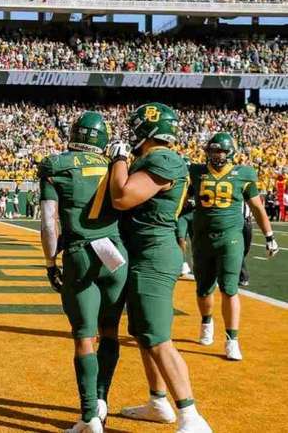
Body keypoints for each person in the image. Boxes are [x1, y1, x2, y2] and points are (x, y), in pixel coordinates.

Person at [107, 103, 211, 433]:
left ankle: (192, 416)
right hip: (141, 252)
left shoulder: (164, 158)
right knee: (143, 334)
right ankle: (158, 402)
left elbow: (122, 197)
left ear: (147, 130)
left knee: (158, 337)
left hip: (154, 253)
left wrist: (119, 160)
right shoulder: (153, 159)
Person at [40, 112, 127, 433]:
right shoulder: (116, 164)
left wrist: (50, 262)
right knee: (110, 332)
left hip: (80, 253)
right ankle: (103, 398)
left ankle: (90, 415)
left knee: (83, 338)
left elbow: (49, 222)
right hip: (116, 254)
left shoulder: (55, 165)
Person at [189, 132, 278, 360]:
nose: (216, 154)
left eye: (220, 150)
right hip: (201, 237)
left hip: (231, 237)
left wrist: (269, 235)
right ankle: (207, 322)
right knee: (203, 288)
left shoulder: (244, 173)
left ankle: (232, 340)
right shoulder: (196, 172)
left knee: (229, 288)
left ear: (230, 153)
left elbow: (257, 207)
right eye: (213, 150)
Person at [176, 156, 196, 280]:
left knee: (196, 242)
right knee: (180, 238)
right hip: (182, 215)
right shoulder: (177, 180)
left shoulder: (196, 181)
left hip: (194, 214)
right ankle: (182, 263)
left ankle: (198, 265)